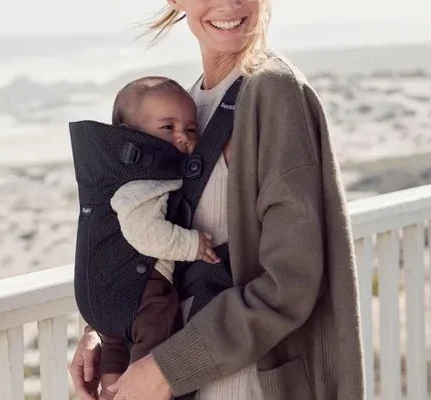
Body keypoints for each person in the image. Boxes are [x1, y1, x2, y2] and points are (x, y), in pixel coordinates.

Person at [70, 0, 366, 399]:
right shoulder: (188, 105)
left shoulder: (273, 92)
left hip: (247, 384)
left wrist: (163, 369)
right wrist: (107, 328)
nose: (228, 4)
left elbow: (290, 282)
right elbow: (151, 238)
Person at [74, 76, 223, 398]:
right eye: (167, 128)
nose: (182, 137)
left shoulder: (116, 178)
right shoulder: (144, 182)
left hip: (106, 300)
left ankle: (113, 391)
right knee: (160, 326)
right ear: (131, 136)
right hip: (141, 291)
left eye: (191, 129)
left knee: (115, 352)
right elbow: (145, 234)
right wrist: (192, 244)